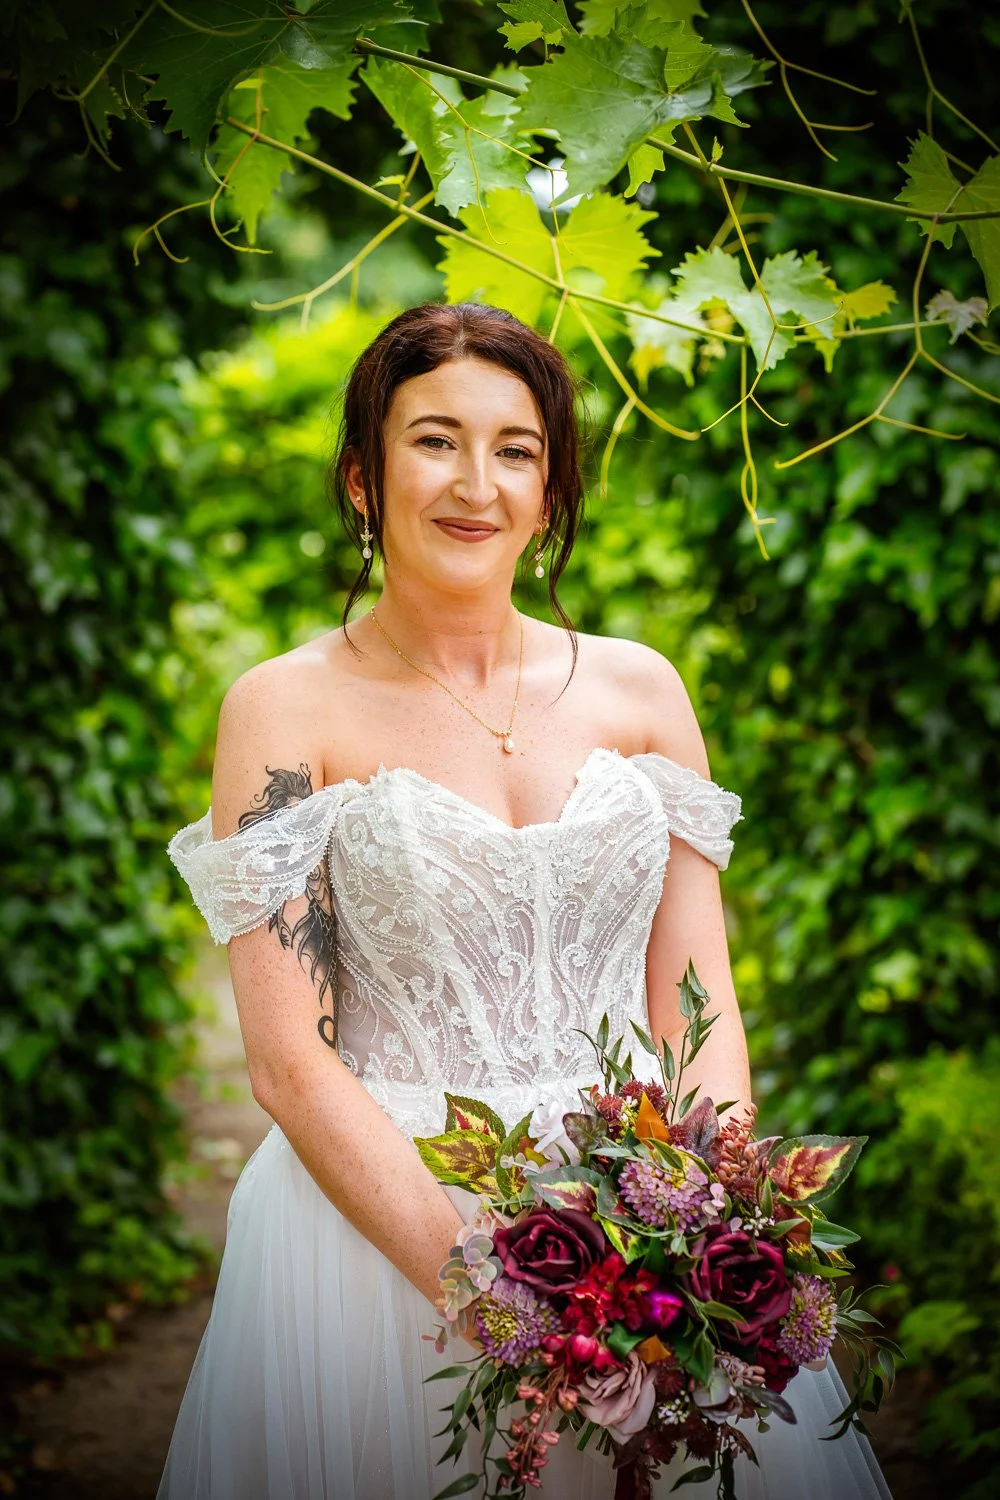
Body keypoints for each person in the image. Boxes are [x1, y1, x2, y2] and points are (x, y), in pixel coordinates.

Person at [158, 303, 892, 1499]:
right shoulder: (284, 710)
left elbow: (698, 1008)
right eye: (433, 440)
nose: (476, 484)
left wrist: (708, 1244)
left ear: (549, 494)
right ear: (361, 477)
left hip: (643, 1229)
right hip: (376, 1246)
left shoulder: (641, 693)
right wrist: (499, 1303)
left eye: (515, 449)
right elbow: (289, 1064)